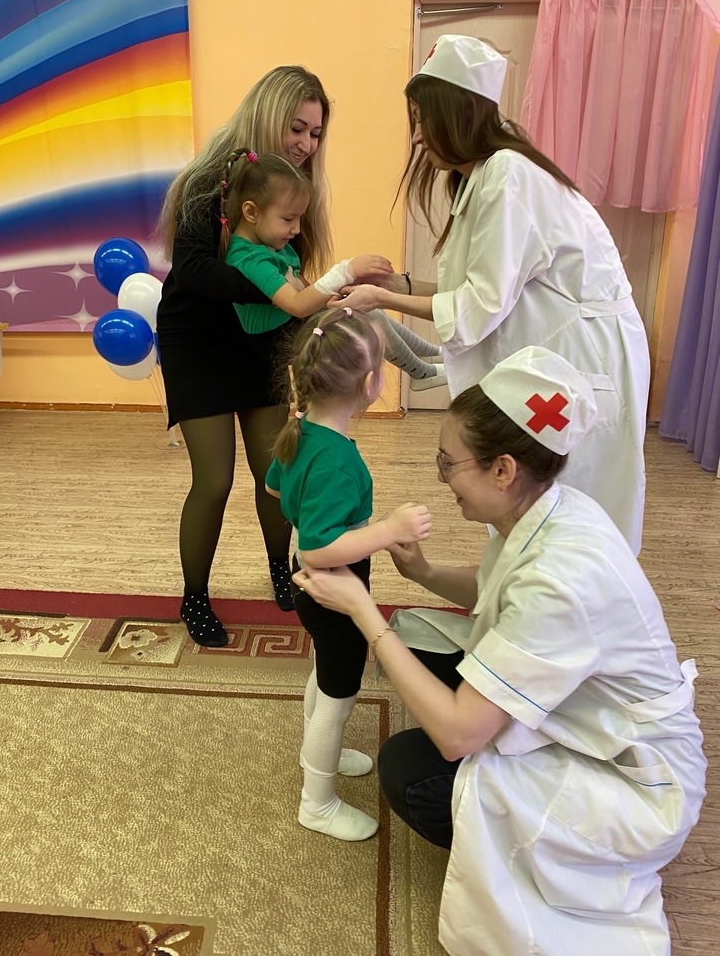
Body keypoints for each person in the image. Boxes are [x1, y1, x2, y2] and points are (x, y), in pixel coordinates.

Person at [293, 346, 706, 955]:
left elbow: (458, 736)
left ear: (504, 470)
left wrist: (363, 612)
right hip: (584, 708)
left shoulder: (561, 579)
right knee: (417, 647)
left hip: (631, 783)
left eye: (447, 462)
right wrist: (424, 573)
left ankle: (562, 858)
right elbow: (494, 586)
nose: (441, 478)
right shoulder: (550, 507)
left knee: (410, 767)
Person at [333, 33, 650, 553]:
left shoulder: (508, 174)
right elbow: (482, 287)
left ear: (456, 116)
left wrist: (381, 301)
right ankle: (522, 586)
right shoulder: (483, 176)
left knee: (573, 506)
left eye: (424, 121)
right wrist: (397, 285)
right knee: (531, 503)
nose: (417, 137)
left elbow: (479, 307)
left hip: (583, 356)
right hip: (556, 354)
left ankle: (567, 595)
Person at [156, 66, 339, 648]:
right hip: (197, 342)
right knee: (213, 481)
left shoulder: (291, 190)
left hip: (255, 340)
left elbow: (290, 279)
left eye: (316, 133)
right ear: (267, 115)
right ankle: (194, 596)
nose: (307, 144)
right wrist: (276, 293)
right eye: (297, 128)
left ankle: (282, 571)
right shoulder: (209, 180)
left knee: (273, 474)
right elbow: (193, 269)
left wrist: (306, 308)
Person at [265, 306, 432, 841]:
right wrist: (387, 529)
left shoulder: (300, 430)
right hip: (333, 588)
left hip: (314, 586)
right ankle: (316, 802)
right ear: (370, 384)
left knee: (324, 673)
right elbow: (320, 548)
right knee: (338, 698)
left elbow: (273, 487)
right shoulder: (337, 459)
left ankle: (320, 750)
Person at [220, 148, 447, 390]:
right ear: (251, 212)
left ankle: (434, 354)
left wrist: (333, 296)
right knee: (364, 318)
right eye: (288, 219)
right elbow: (297, 305)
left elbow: (302, 287)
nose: (297, 229)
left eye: (299, 218)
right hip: (275, 339)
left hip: (290, 324)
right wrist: (344, 272)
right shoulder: (250, 258)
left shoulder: (269, 243)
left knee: (367, 308)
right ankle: (421, 373)